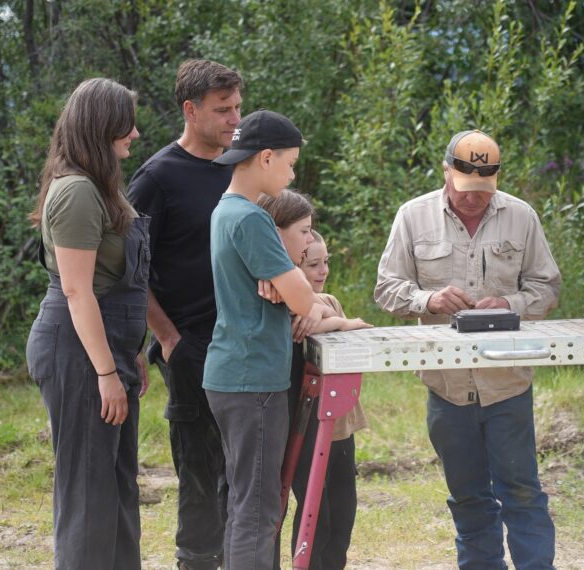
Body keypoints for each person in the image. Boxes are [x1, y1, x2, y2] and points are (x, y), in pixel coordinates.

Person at [375, 130, 561, 570]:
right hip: (446, 388)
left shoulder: (521, 216)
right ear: (446, 172)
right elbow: (386, 288)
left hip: (508, 385)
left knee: (521, 491)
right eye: (465, 188)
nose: (474, 199)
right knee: (468, 496)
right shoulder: (412, 217)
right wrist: (429, 300)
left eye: (483, 189)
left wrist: (511, 304)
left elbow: (547, 286)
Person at [25, 77, 148, 570]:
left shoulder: (99, 185)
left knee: (116, 485)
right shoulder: (76, 191)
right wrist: (104, 372)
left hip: (105, 345)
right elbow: (77, 291)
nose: (136, 133)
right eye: (126, 122)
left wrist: (128, 351)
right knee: (88, 492)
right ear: (100, 126)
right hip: (77, 351)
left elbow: (108, 284)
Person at [127, 59, 242, 570]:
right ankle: (196, 562)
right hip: (191, 343)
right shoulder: (156, 177)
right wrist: (168, 339)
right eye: (222, 110)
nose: (233, 120)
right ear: (190, 110)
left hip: (247, 340)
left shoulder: (238, 165)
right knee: (199, 467)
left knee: (243, 470)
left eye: (238, 107)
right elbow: (131, 272)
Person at [204, 110, 325, 570]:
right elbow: (301, 298)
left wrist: (290, 284)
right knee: (258, 510)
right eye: (291, 163)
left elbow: (295, 291)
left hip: (234, 373)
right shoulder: (252, 219)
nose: (293, 173)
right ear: (267, 157)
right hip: (253, 378)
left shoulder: (224, 210)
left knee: (246, 504)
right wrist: (294, 285)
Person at [255, 196, 371, 569]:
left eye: (325, 263)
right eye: (311, 264)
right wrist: (343, 323)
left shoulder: (327, 301)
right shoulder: (283, 302)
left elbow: (323, 317)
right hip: (306, 425)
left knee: (343, 512)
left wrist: (328, 316)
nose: (321, 271)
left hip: (341, 427)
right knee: (312, 512)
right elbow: (303, 325)